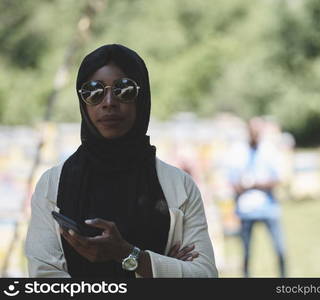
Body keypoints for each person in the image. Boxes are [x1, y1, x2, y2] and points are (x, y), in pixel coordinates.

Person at [24, 44, 218, 278]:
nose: (108, 102)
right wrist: (163, 267)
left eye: (124, 89)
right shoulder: (53, 184)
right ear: (83, 102)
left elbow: (204, 277)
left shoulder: (179, 187)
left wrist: (130, 255)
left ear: (142, 97)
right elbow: (44, 278)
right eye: (93, 91)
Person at [227, 117, 286, 277]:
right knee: (246, 253)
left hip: (269, 209)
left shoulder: (269, 150)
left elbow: (278, 179)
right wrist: (243, 185)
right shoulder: (237, 152)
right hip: (246, 211)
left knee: (280, 250)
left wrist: (255, 184)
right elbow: (232, 182)